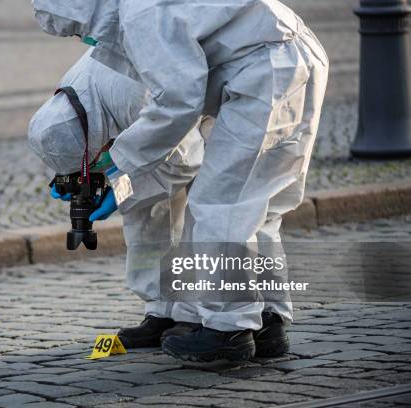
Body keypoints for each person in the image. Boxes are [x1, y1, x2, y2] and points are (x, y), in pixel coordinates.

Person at [31, 0, 329, 362]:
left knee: (221, 207)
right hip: (284, 61)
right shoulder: (114, 46)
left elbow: (177, 119)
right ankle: (266, 321)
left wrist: (119, 177)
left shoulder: (136, 29)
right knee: (256, 210)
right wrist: (115, 176)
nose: (83, 39)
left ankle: (228, 330)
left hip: (265, 74)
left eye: (78, 29)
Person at [28, 50, 206, 345]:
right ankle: (161, 310)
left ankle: (195, 315)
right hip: (155, 119)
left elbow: (184, 161)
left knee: (198, 214)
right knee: (145, 218)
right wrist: (76, 173)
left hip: (200, 122)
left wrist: (120, 189)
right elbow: (89, 144)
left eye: (91, 162)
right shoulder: (72, 98)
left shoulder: (130, 96)